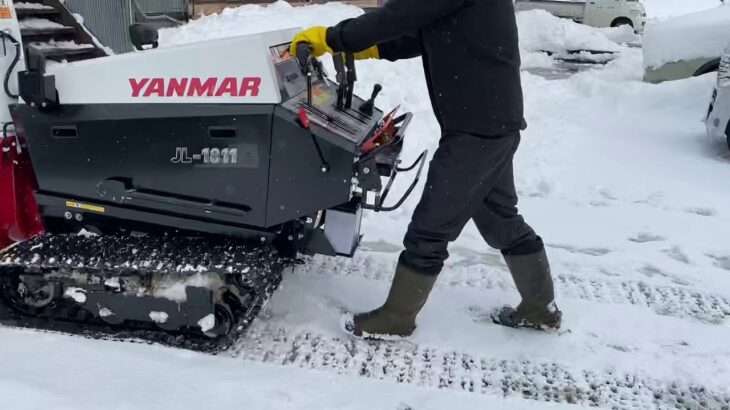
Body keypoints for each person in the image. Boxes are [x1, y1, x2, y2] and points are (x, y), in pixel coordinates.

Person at [290, 0, 562, 338]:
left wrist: (334, 38)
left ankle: (396, 319)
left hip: (475, 131)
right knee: (500, 220)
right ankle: (540, 309)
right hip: (490, 123)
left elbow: (403, 14)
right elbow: (422, 32)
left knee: (429, 230)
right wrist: (371, 47)